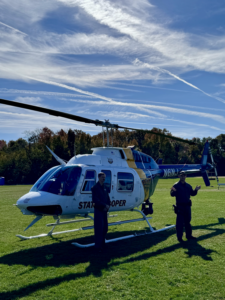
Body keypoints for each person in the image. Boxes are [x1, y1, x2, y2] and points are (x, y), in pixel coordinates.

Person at [170, 171, 201, 242]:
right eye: (181, 175)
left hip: (187, 206)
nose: (183, 177)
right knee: (180, 223)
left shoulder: (188, 186)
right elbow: (172, 194)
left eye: (184, 176)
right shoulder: (176, 185)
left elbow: (192, 193)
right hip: (180, 207)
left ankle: (189, 235)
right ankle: (179, 237)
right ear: (179, 176)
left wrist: (196, 190)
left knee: (188, 222)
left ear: (186, 176)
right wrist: (173, 191)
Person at [92, 172, 110, 251]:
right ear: (99, 177)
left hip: (104, 211)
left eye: (104, 177)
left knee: (105, 228)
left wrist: (108, 205)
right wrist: (104, 205)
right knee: (99, 228)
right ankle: (98, 246)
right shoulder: (95, 188)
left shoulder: (105, 187)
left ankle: (103, 243)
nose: (104, 179)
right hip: (98, 210)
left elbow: (107, 197)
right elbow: (95, 200)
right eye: (102, 177)